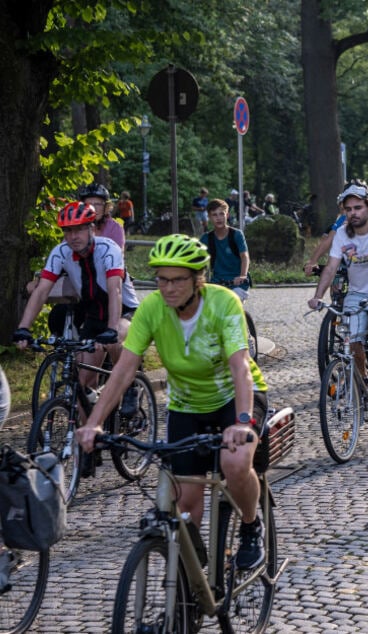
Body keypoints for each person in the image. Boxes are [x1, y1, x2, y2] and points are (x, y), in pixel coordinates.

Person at [76, 234, 268, 570]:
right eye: (161, 279)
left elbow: (241, 368)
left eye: (177, 279)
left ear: (197, 279)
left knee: (235, 463)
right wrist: (95, 421)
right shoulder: (152, 309)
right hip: (186, 404)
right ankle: (187, 586)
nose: (167, 288)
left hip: (232, 400)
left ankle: (252, 526)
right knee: (186, 503)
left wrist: (242, 420)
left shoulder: (223, 303)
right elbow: (123, 370)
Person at [12, 201, 139, 413]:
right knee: (83, 384)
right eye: (68, 231)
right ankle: (88, 440)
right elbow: (42, 290)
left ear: (91, 228)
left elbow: (115, 290)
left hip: (124, 310)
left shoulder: (109, 249)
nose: (73, 236)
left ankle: (128, 386)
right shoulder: (60, 252)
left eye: (79, 229)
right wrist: (24, 327)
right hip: (93, 314)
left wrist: (111, 329)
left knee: (116, 340)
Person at [308, 181, 368, 418]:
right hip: (356, 294)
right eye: (348, 209)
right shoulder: (341, 234)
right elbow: (330, 268)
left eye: (357, 208)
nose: (353, 213)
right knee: (352, 341)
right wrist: (317, 296)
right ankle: (363, 376)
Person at [200, 199, 251, 300]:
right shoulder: (206, 238)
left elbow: (244, 257)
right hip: (217, 283)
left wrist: (243, 275)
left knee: (230, 302)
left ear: (227, 215)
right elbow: (199, 261)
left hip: (238, 284)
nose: (219, 218)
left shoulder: (236, 234)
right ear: (209, 217)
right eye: (214, 215)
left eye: (221, 214)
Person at [79, 183, 124, 252]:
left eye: (98, 204)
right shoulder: (76, 226)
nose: (93, 208)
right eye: (89, 204)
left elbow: (116, 256)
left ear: (106, 207)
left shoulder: (114, 228)